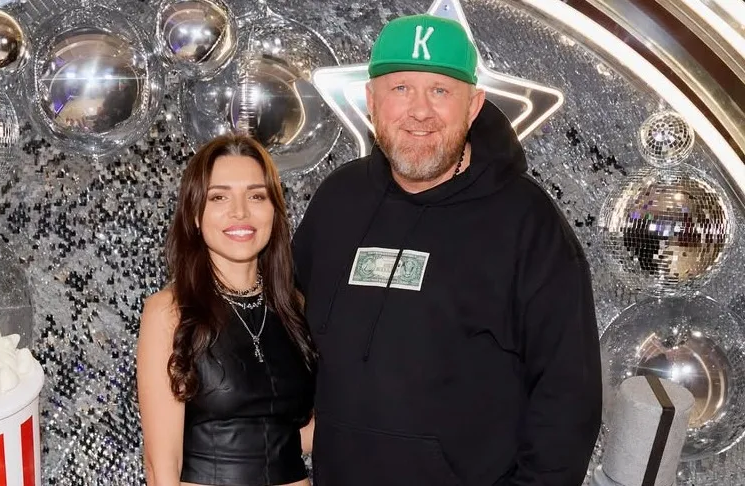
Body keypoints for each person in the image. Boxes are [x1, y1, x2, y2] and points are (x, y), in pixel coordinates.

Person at [292, 13, 602, 486]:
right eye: (401, 88)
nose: (419, 111)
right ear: (371, 101)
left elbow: (568, 395)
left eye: (440, 90)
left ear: (473, 105)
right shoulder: (339, 200)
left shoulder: (528, 222)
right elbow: (284, 330)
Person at [137, 133, 317, 486]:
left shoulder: (294, 307)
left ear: (274, 210)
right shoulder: (169, 312)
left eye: (256, 196)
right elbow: (162, 466)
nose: (240, 212)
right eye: (219, 197)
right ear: (195, 214)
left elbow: (294, 436)